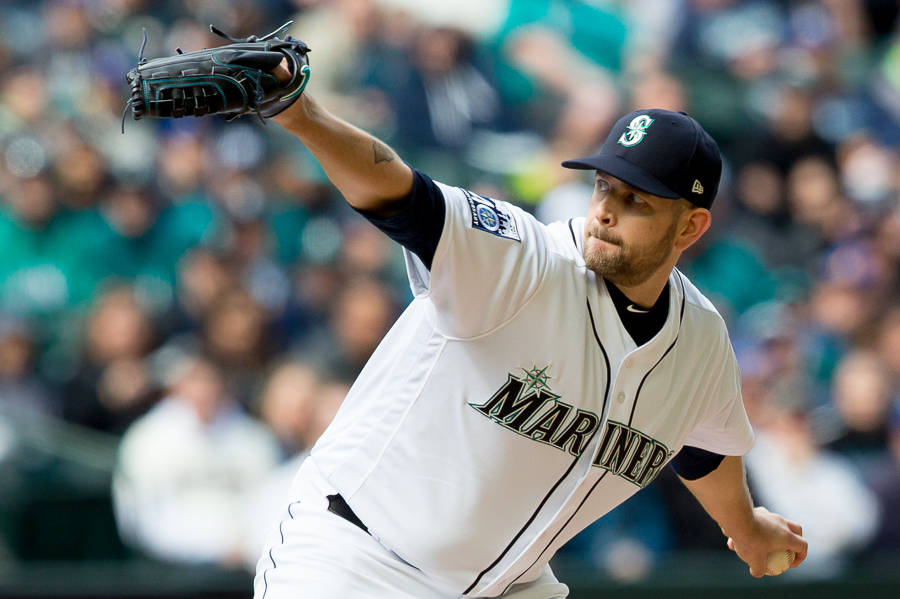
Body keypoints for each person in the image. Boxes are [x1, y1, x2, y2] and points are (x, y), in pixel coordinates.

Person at [234, 58, 811, 598]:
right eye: (604, 185)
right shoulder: (525, 260)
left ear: (691, 227)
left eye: (637, 200)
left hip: (510, 584)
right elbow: (402, 196)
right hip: (356, 558)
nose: (605, 209)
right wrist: (301, 116)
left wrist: (746, 528)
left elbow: (704, 448)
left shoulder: (700, 343)